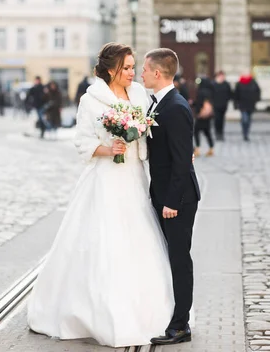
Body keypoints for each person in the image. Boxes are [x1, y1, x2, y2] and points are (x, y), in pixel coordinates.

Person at [27, 43, 174, 347]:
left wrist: (178, 154)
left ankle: (147, 309)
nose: (133, 73)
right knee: (105, 240)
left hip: (133, 176)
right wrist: (110, 149)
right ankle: (95, 311)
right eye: (127, 68)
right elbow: (82, 141)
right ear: (111, 70)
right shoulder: (90, 99)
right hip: (105, 178)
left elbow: (152, 133)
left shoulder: (139, 95)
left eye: (135, 67)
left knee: (138, 238)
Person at [142, 48, 200, 346]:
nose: (140, 73)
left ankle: (181, 325)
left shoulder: (175, 107)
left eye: (144, 69)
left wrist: (172, 202)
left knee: (179, 259)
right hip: (164, 194)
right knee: (172, 257)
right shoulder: (160, 104)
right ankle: (173, 315)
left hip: (177, 200)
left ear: (157, 72)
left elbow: (181, 160)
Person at [234, 73, 261, 142]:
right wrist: (236, 104)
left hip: (251, 104)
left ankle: (246, 133)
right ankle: (244, 133)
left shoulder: (253, 83)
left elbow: (258, 91)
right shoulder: (239, 83)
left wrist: (256, 99)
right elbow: (236, 94)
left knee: (248, 120)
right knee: (244, 119)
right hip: (242, 105)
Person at [193, 77, 215, 157]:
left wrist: (195, 106)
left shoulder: (201, 91)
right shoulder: (210, 92)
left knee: (196, 131)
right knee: (207, 132)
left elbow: (199, 103)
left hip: (201, 116)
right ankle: (211, 148)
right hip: (208, 116)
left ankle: (197, 149)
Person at [212, 71, 232, 141]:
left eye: (223, 76)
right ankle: (217, 133)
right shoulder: (213, 84)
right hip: (215, 105)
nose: (222, 77)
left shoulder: (226, 84)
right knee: (217, 119)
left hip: (223, 105)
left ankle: (221, 133)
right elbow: (210, 94)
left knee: (222, 120)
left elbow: (230, 94)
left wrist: (227, 100)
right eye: (221, 76)